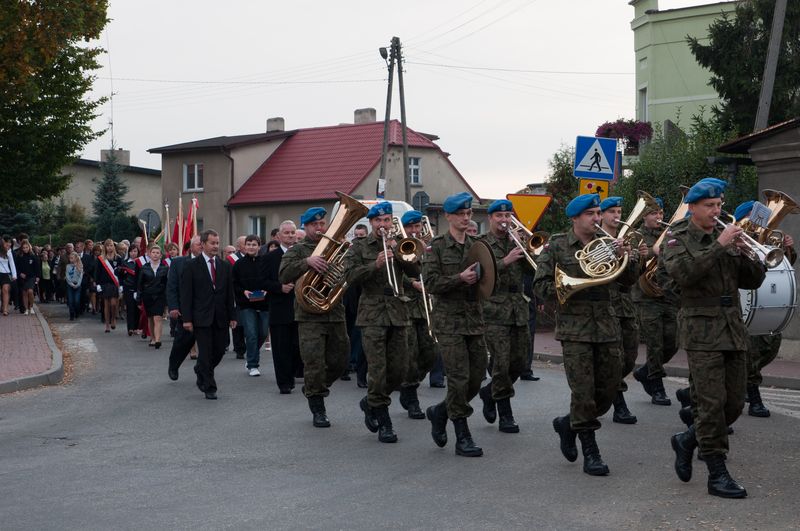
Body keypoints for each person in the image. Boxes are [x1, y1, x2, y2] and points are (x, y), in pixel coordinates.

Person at [664, 178, 766, 499]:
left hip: (732, 327)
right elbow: (684, 274)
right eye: (709, 205)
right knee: (710, 404)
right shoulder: (676, 237)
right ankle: (716, 472)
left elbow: (752, 281)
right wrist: (720, 245)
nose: (716, 210)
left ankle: (687, 439)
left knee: (734, 403)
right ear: (692, 207)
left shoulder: (728, 236)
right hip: (701, 329)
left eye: (719, 205)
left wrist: (751, 253)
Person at [533, 193, 639, 476]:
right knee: (583, 393)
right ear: (576, 218)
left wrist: (624, 257)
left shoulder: (608, 244)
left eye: (597, 213)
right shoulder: (556, 245)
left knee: (606, 392)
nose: (597, 218)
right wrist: (578, 277)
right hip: (574, 330)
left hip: (606, 326)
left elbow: (629, 282)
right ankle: (591, 451)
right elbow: (541, 287)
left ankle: (568, 425)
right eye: (591, 213)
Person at [345, 202, 419, 443]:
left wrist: (401, 252)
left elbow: (415, 270)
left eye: (387, 220)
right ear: (371, 223)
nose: (383, 225)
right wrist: (374, 264)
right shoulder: (359, 247)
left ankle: (371, 401)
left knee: (399, 369)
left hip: (398, 311)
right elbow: (350, 277)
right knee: (378, 370)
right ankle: (385, 421)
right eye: (378, 221)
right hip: (372, 313)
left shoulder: (399, 242)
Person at [423, 192, 487, 457]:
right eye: (460, 214)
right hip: (448, 321)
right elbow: (431, 284)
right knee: (459, 378)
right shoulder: (436, 246)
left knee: (476, 377)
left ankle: (440, 411)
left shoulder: (478, 245)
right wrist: (459, 278)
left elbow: (488, 282)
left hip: (474, 319)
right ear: (448, 216)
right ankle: (462, 434)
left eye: (468, 213)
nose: (465, 218)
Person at [279, 207, 350, 427]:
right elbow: (283, 275)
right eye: (315, 225)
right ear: (306, 227)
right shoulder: (298, 249)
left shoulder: (336, 246)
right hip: (309, 315)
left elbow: (349, 274)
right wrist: (307, 263)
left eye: (322, 224)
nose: (320, 228)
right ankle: (318, 404)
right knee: (314, 362)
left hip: (334, 312)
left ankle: (313, 386)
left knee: (341, 359)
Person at [477, 199, 536, 434]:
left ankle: (489, 393)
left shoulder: (518, 241)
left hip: (518, 308)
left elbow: (534, 270)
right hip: (494, 309)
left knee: (520, 362)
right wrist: (505, 261)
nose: (504, 221)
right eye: (499, 216)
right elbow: (479, 272)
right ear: (490, 218)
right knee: (501, 363)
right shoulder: (482, 244)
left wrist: (526, 249)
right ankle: (505, 412)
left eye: (508, 216)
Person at [598, 196, 641, 424]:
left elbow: (631, 280)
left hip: (624, 305)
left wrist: (634, 258)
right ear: (602, 215)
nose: (616, 216)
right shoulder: (595, 241)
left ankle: (607, 391)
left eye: (619, 211)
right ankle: (618, 403)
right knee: (615, 358)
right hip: (606, 305)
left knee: (630, 358)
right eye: (612, 212)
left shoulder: (626, 239)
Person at [632, 197, 678, 406]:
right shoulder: (637, 235)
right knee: (655, 343)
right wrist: (653, 251)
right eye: (654, 213)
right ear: (644, 216)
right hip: (645, 296)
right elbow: (634, 257)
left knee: (673, 342)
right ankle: (657, 386)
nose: (659, 217)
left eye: (660, 213)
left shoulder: (669, 234)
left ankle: (645, 371)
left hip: (667, 294)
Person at [180, 229, 236, 400]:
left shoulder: (224, 266)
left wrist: (233, 316)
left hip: (220, 316)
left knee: (219, 350)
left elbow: (229, 293)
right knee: (205, 351)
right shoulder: (191, 266)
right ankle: (209, 386)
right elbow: (186, 294)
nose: (215, 246)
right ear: (203, 244)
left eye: (217, 243)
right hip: (201, 317)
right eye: (212, 243)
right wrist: (187, 319)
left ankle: (201, 370)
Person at [398, 210, 438, 419]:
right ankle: (411, 395)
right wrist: (411, 283)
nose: (414, 231)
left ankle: (408, 385)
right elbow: (394, 273)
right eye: (410, 227)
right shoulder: (398, 246)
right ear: (403, 228)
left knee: (431, 353)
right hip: (406, 307)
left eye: (417, 227)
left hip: (425, 307)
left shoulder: (428, 246)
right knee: (411, 354)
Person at [264, 221, 301, 394]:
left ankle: (293, 374)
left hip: (301, 308)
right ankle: (284, 383)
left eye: (292, 232)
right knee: (280, 348)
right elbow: (262, 281)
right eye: (286, 233)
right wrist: (280, 288)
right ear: (279, 236)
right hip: (279, 309)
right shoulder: (271, 257)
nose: (290, 235)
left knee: (297, 346)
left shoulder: (302, 254)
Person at [232, 235, 270, 377]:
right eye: (249, 244)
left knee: (263, 333)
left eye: (254, 244)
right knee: (251, 334)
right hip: (247, 304)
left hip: (264, 303)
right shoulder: (239, 264)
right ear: (244, 246)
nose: (251, 247)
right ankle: (253, 364)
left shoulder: (265, 262)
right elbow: (234, 283)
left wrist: (268, 289)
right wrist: (243, 292)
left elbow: (272, 279)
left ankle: (251, 353)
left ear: (259, 247)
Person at [166, 236, 202, 381]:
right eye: (199, 244)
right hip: (185, 309)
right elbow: (172, 287)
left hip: (204, 309)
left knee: (207, 342)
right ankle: (174, 364)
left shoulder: (211, 262)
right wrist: (173, 307)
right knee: (183, 341)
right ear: (191, 247)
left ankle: (202, 368)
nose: (201, 246)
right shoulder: (178, 263)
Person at [137, 244, 169, 348]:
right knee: (150, 318)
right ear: (149, 254)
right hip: (148, 296)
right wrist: (138, 299)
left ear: (160, 255)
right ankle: (153, 338)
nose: (155, 255)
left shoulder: (165, 268)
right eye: (153, 252)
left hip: (160, 296)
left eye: (157, 253)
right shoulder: (144, 268)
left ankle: (158, 340)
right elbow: (140, 284)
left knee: (158, 317)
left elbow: (167, 284)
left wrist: (168, 299)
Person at [95, 239, 123, 333]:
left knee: (114, 304)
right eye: (108, 246)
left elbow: (121, 272)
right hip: (104, 284)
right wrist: (98, 284)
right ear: (105, 247)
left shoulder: (118, 258)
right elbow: (97, 272)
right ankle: (107, 324)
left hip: (114, 284)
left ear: (114, 246)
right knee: (106, 305)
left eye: (111, 245)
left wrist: (121, 284)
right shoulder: (101, 259)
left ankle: (113, 318)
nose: (110, 247)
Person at [120, 246, 141, 336]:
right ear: (129, 252)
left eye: (135, 251)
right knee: (130, 308)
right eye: (131, 251)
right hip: (128, 287)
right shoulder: (124, 263)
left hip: (138, 288)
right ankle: (131, 328)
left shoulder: (140, 263)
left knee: (138, 309)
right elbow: (120, 275)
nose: (133, 253)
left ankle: (137, 328)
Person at [16, 240, 39, 315]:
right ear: (21, 248)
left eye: (27, 247)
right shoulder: (19, 257)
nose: (25, 249)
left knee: (30, 291)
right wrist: (20, 274)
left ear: (29, 247)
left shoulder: (33, 256)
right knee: (24, 293)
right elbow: (16, 267)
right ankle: (26, 309)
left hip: (31, 277)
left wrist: (38, 276)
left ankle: (31, 307)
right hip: (22, 278)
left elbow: (37, 267)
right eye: (24, 248)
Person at [1, 236, 17, 316]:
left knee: (5, 289)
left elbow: (12, 263)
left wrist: (14, 275)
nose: (9, 244)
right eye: (8, 243)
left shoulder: (9, 251)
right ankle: (2, 306)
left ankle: (5, 309)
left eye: (10, 243)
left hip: (6, 273)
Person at [65, 252, 84, 321]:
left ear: (76, 258)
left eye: (72, 258)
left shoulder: (80, 266)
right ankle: (71, 314)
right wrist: (71, 284)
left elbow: (80, 277)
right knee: (70, 301)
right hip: (70, 285)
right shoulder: (68, 266)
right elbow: (67, 276)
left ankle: (77, 312)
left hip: (77, 285)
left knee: (76, 301)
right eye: (69, 258)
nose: (70, 259)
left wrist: (77, 284)